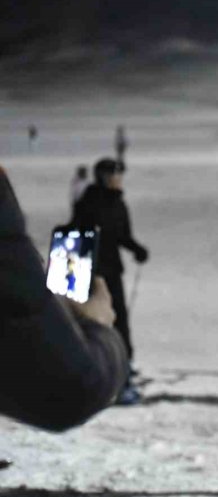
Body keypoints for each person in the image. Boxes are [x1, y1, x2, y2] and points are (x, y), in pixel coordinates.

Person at [0, 166, 128, 431]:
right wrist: (97, 327)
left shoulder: (100, 201)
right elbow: (70, 387)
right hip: (99, 278)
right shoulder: (97, 202)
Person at [72, 158, 149, 404]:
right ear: (102, 176)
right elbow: (80, 232)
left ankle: (124, 370)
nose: (118, 178)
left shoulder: (118, 203)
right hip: (93, 273)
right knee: (99, 322)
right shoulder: (90, 201)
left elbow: (122, 235)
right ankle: (109, 379)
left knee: (120, 321)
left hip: (112, 270)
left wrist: (137, 249)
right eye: (113, 174)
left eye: (119, 174)